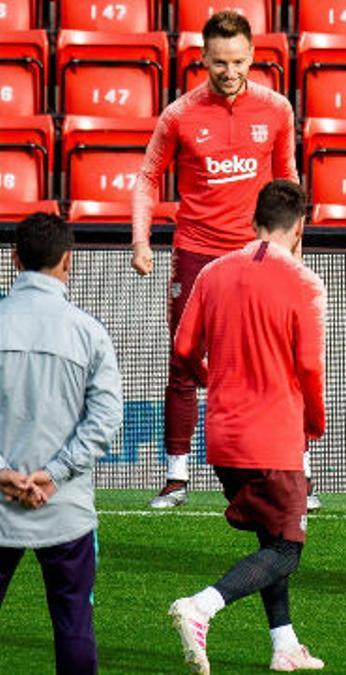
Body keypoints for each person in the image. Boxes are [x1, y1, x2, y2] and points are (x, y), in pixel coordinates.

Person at [131, 10, 310, 510]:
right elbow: (147, 178)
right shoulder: (179, 115)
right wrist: (141, 241)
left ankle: (298, 473)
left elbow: (288, 179)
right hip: (196, 254)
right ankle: (176, 477)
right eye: (219, 63)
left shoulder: (276, 109)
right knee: (184, 362)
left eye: (238, 61)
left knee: (281, 363)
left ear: (252, 56)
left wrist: (294, 249)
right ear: (203, 59)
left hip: (258, 255)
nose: (229, 72)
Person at [167, 180, 326, 674]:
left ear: (252, 221)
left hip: (222, 435)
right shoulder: (305, 283)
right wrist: (314, 423)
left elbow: (183, 347)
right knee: (286, 549)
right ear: (299, 227)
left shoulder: (213, 273)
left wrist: (208, 380)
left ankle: (285, 645)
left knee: (267, 535)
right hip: (274, 436)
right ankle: (201, 606)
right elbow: (310, 367)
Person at [0, 213, 123, 674]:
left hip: (1, 503)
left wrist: (4, 474)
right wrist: (54, 474)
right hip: (65, 509)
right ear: (67, 261)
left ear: (14, 259)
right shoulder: (88, 332)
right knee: (73, 628)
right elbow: (107, 416)